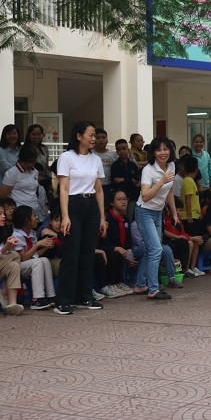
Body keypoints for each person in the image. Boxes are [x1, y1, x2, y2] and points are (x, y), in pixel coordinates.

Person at [54, 121, 107, 315]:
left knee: (88, 253)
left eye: (95, 135)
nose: (94, 139)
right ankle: (63, 300)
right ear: (79, 136)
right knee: (72, 254)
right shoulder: (66, 157)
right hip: (73, 206)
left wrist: (102, 217)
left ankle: (85, 296)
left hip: (91, 206)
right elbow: (64, 188)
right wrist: (65, 216)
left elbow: (99, 190)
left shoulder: (96, 160)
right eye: (91, 135)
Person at [133, 136, 179, 301]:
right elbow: (145, 196)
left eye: (165, 149)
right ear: (153, 152)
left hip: (158, 212)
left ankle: (140, 285)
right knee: (156, 250)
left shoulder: (172, 165)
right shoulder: (148, 170)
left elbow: (170, 191)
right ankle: (153, 289)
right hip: (144, 211)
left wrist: (174, 213)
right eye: (158, 150)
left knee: (151, 249)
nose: (162, 153)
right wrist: (161, 181)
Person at [99, 189, 135, 298]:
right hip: (106, 249)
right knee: (115, 254)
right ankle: (112, 284)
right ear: (111, 202)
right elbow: (103, 242)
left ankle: (127, 282)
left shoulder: (125, 218)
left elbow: (128, 241)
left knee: (139, 254)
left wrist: (129, 252)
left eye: (125, 199)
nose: (123, 202)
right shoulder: (106, 219)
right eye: (119, 199)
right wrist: (116, 248)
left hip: (122, 251)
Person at [1, 147, 47, 222]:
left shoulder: (35, 172)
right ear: (21, 160)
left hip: (33, 212)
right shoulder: (12, 173)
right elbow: (3, 195)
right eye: (27, 162)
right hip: (19, 212)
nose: (30, 164)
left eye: (32, 162)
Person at [0, 206, 24, 315]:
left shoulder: (3, 230)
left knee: (14, 265)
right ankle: (4, 292)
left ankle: (12, 303)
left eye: (3, 214)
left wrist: (8, 246)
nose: (3, 216)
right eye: (0, 214)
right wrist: (6, 247)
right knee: (15, 255)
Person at [23, 124, 52, 197]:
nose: (37, 137)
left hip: (44, 182)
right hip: (29, 183)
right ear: (29, 135)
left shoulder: (44, 149)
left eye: (39, 134)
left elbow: (46, 167)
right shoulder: (24, 149)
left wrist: (50, 183)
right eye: (34, 134)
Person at [92, 128, 118, 196]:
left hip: (108, 186)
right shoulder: (90, 153)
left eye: (103, 138)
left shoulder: (113, 154)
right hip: (93, 186)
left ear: (107, 140)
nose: (101, 140)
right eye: (98, 138)